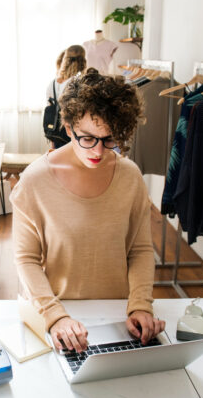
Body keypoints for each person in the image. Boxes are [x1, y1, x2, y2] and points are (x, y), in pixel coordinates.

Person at [12, 68, 165, 353]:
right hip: (58, 313)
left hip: (119, 315)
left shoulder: (130, 176)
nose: (98, 151)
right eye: (88, 138)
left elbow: (140, 249)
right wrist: (54, 316)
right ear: (68, 128)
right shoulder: (34, 181)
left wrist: (141, 305)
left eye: (109, 139)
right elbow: (26, 258)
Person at [45, 45, 87, 149]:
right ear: (83, 61)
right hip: (72, 132)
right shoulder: (78, 81)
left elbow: (51, 110)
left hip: (56, 132)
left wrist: (52, 143)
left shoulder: (53, 83)